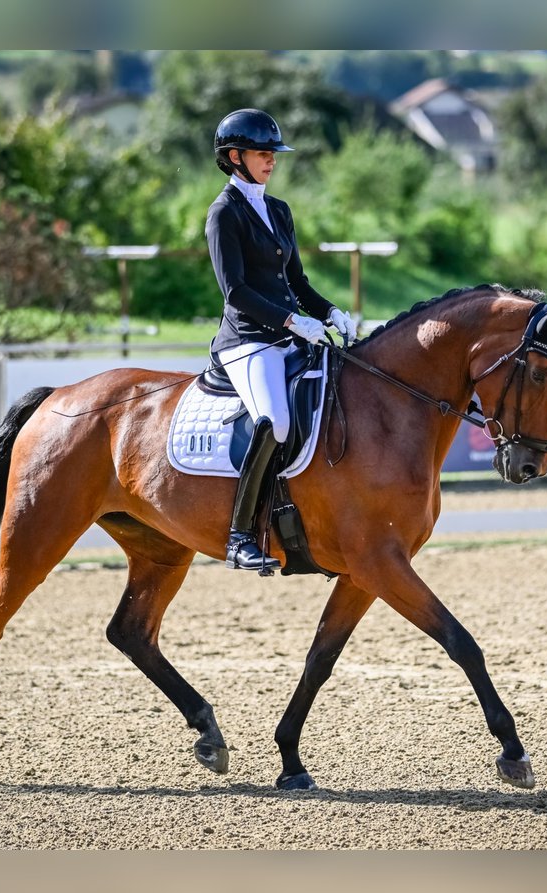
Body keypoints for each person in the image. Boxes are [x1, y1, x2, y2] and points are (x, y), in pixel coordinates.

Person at [205, 108, 356, 572]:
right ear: (235, 157)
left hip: (289, 335)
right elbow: (235, 291)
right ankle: (240, 536)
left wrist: (328, 312)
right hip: (247, 342)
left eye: (274, 153)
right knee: (276, 422)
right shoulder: (223, 214)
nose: (272, 160)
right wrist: (292, 322)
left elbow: (297, 281)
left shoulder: (278, 210)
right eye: (262, 153)